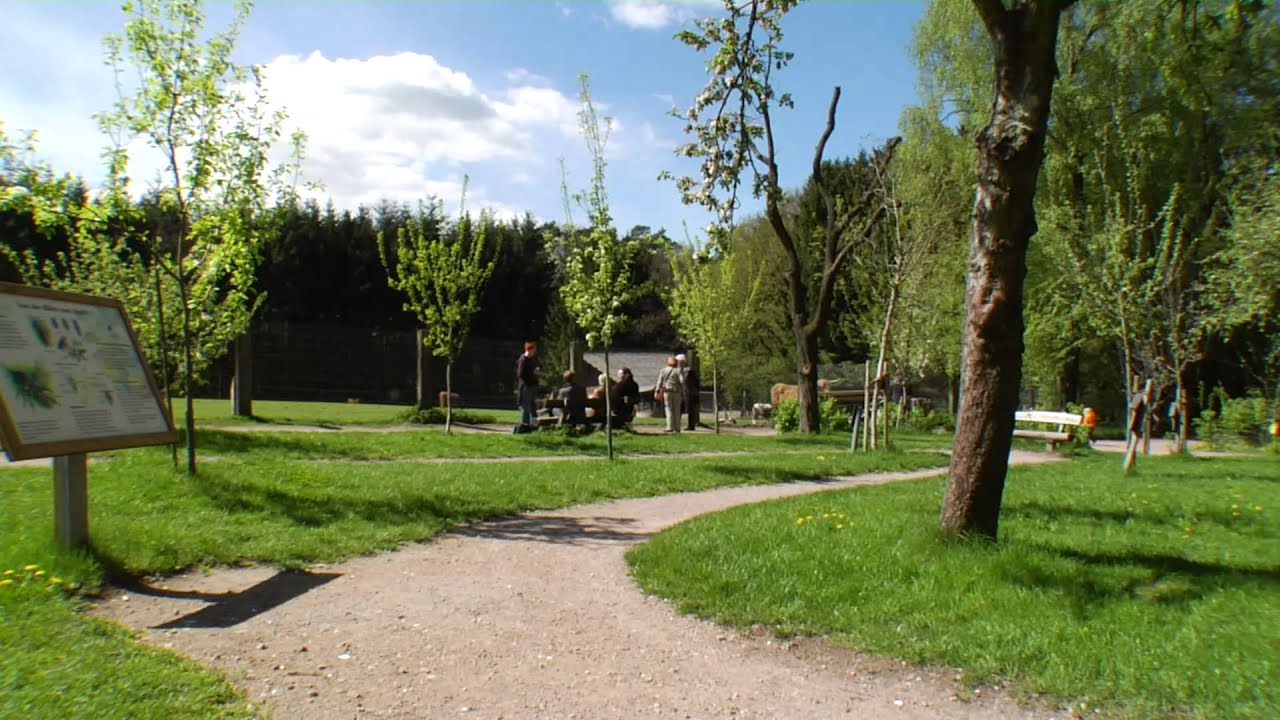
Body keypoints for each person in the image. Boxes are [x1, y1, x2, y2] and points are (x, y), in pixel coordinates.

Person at [514, 341, 540, 433]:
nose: (535, 352)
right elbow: (520, 374)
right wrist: (532, 374)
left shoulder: (531, 360)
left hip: (532, 385)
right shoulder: (523, 359)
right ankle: (525, 425)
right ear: (530, 349)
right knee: (526, 407)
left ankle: (534, 425)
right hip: (526, 386)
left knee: (532, 406)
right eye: (534, 350)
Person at [655, 356, 684, 433]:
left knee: (668, 409)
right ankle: (677, 427)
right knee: (677, 410)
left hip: (667, 391)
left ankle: (669, 426)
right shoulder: (678, 371)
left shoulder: (663, 370)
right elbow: (682, 381)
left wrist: (657, 391)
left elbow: (659, 381)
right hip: (677, 392)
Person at [677, 353, 701, 431]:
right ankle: (677, 424)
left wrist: (694, 390)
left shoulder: (689, 371)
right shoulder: (677, 371)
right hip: (680, 392)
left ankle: (691, 426)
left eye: (680, 362)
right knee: (679, 409)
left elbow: (695, 382)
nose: (679, 363)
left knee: (690, 409)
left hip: (689, 393)